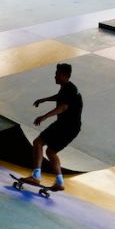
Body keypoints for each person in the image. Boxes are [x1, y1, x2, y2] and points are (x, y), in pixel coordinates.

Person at [27, 63, 84, 192]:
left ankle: (35, 177)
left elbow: (63, 107)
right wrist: (44, 99)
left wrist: (44, 116)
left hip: (65, 126)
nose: (55, 76)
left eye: (57, 74)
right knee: (51, 152)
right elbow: (59, 97)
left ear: (65, 75)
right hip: (72, 128)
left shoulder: (70, 89)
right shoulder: (67, 88)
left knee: (38, 142)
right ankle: (59, 182)